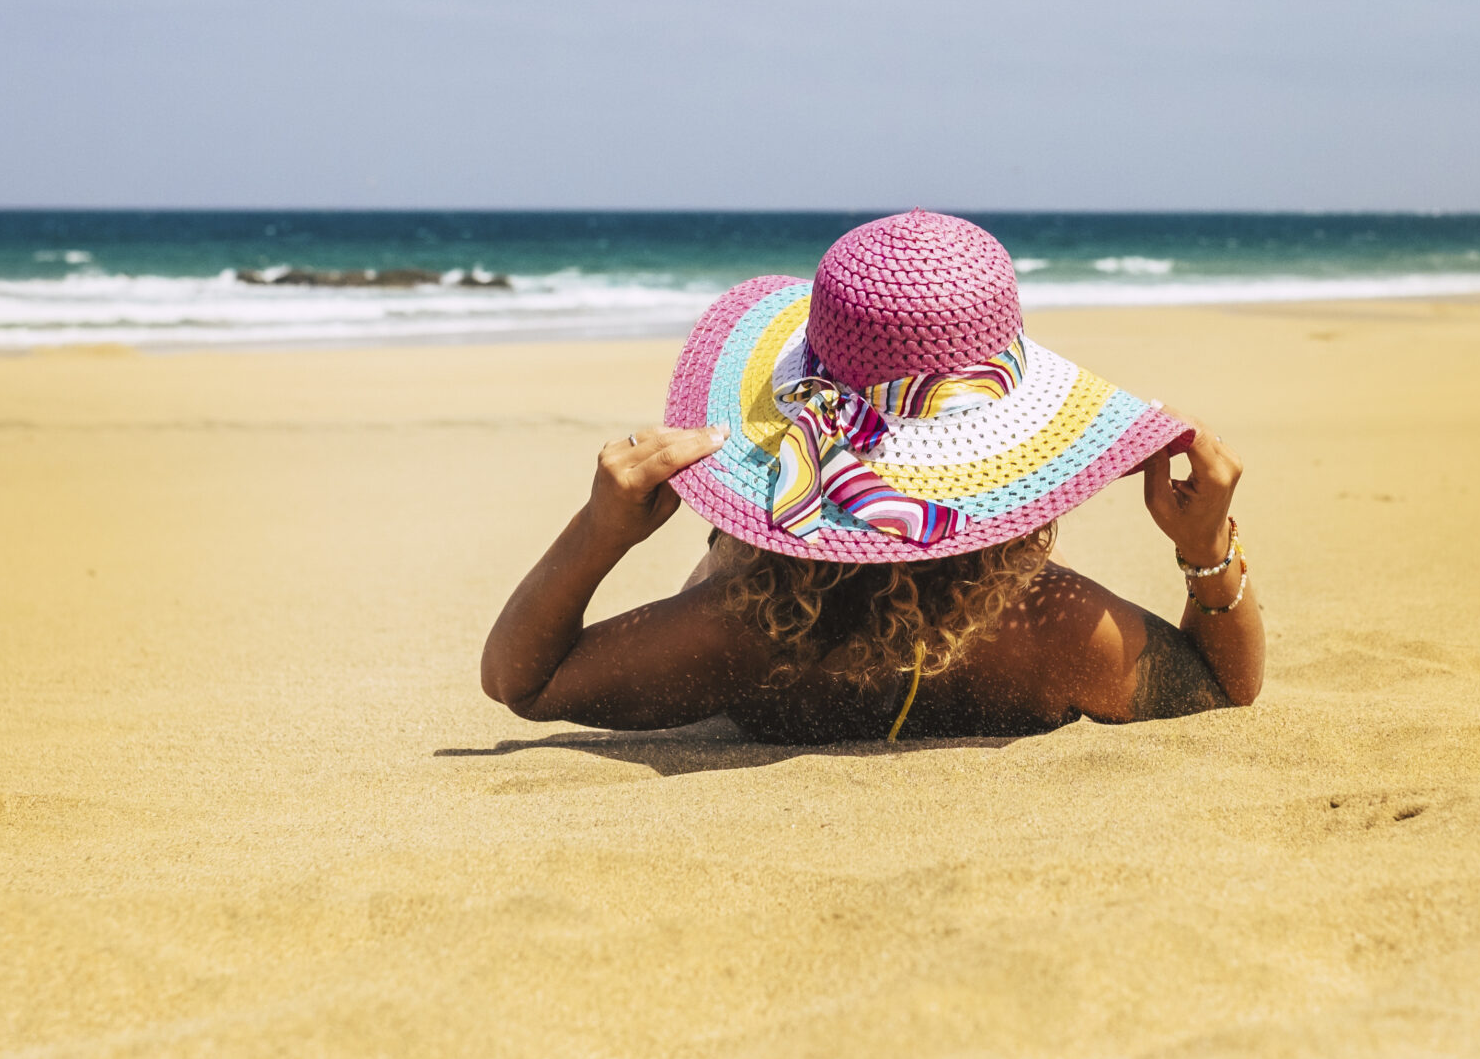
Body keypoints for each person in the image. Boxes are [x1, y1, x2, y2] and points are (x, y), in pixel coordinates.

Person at [480, 211, 1262, 741]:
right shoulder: (1052, 628)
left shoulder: (740, 632)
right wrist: (1206, 548)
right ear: (1002, 452)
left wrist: (600, 531)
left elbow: (524, 681)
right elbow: (1223, 685)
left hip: (784, 610)